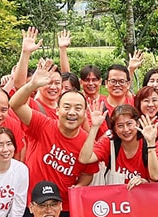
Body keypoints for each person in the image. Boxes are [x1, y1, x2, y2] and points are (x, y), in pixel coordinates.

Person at [9, 58, 96, 203]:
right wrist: (32, 85)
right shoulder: (42, 125)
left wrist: (79, 186)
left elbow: (88, 173)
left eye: (78, 108)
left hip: (64, 205)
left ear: (85, 112)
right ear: (57, 110)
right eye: (67, 107)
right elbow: (15, 104)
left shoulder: (87, 142)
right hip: (33, 201)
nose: (72, 112)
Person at [82, 103, 158, 185]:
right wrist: (95, 127)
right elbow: (85, 159)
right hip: (114, 196)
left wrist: (151, 143)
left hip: (141, 196)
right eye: (120, 126)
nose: (126, 129)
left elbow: (155, 176)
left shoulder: (147, 144)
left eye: (129, 124)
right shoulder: (110, 143)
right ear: (114, 129)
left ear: (137, 123)